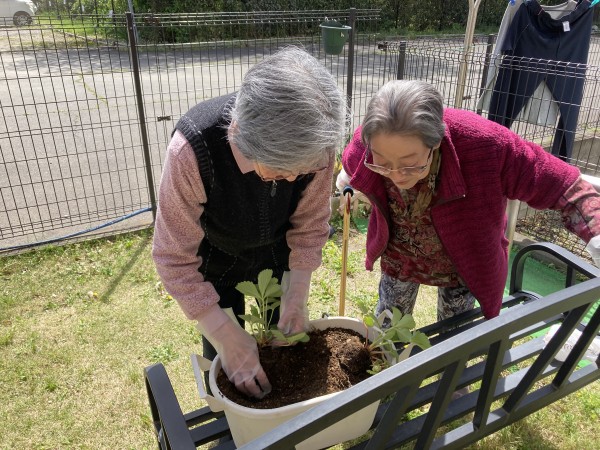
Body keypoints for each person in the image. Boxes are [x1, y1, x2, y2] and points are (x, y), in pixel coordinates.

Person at [152, 47, 347, 399]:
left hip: (279, 255)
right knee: (231, 363)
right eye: (281, 171)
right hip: (218, 259)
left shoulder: (316, 143)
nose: (293, 179)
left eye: (302, 170)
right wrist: (224, 336)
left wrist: (297, 295)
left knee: (287, 349)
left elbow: (310, 224)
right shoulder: (192, 151)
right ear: (240, 134)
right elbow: (173, 258)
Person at [337, 79, 600, 324]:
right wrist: (350, 182)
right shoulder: (370, 141)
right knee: (388, 325)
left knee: (455, 333)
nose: (395, 176)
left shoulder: (486, 145)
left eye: (409, 164)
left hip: (463, 260)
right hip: (400, 252)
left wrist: (596, 234)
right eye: (383, 164)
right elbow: (351, 166)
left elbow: (567, 187)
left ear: (436, 142)